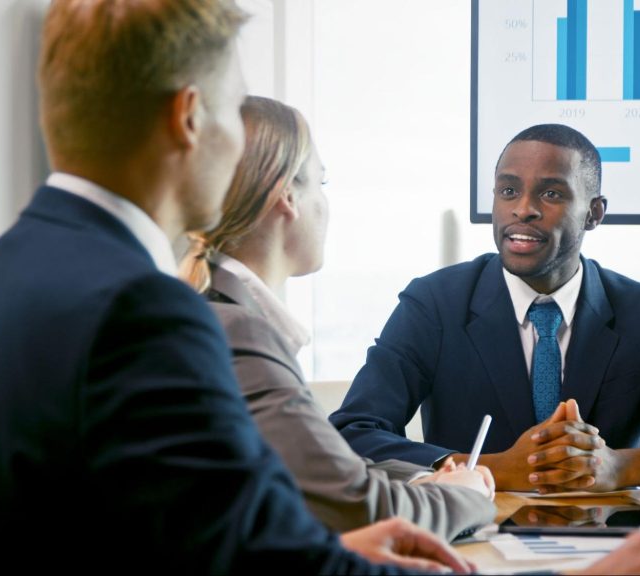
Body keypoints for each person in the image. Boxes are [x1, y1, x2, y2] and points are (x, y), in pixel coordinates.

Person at [0, 2, 470, 573]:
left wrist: (329, 551)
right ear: (188, 118)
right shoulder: (144, 310)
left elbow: (177, 537)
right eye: (232, 110)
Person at [331, 123, 640, 493]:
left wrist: (621, 468)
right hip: (469, 541)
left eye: (551, 194)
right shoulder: (435, 304)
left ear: (594, 213)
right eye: (508, 190)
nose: (521, 210)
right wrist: (488, 469)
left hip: (604, 546)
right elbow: (350, 435)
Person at [179, 96, 497, 541]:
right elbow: (357, 507)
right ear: (287, 195)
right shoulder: (240, 332)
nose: (326, 204)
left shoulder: (216, 314)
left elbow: (325, 469)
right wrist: (468, 497)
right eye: (320, 183)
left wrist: (428, 477)